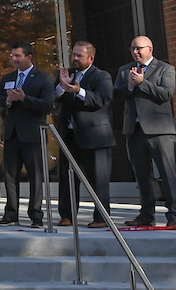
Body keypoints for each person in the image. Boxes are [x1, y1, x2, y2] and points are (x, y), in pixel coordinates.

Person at [113, 35, 176, 228]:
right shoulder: (124, 70)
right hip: (134, 130)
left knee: (168, 174)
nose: (135, 52)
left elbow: (166, 94)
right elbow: (114, 95)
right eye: (133, 48)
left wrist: (143, 83)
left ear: (150, 49)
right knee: (142, 175)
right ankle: (146, 215)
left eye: (139, 48)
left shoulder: (165, 69)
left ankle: (174, 215)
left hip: (159, 130)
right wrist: (129, 85)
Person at [0, 41, 54, 228]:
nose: (14, 59)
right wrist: (8, 100)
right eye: (12, 55)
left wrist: (25, 98)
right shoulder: (9, 77)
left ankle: (36, 216)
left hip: (33, 133)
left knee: (35, 176)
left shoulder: (42, 78)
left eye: (18, 56)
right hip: (12, 134)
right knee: (10, 176)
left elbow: (48, 104)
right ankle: (11, 214)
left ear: (29, 57)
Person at [55, 41, 115, 229]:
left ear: (91, 58)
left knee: (98, 179)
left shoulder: (101, 76)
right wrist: (61, 88)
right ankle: (67, 215)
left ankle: (101, 217)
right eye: (74, 54)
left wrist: (78, 91)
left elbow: (103, 99)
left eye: (79, 56)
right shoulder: (67, 75)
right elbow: (54, 98)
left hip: (95, 136)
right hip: (70, 134)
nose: (75, 58)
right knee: (67, 178)